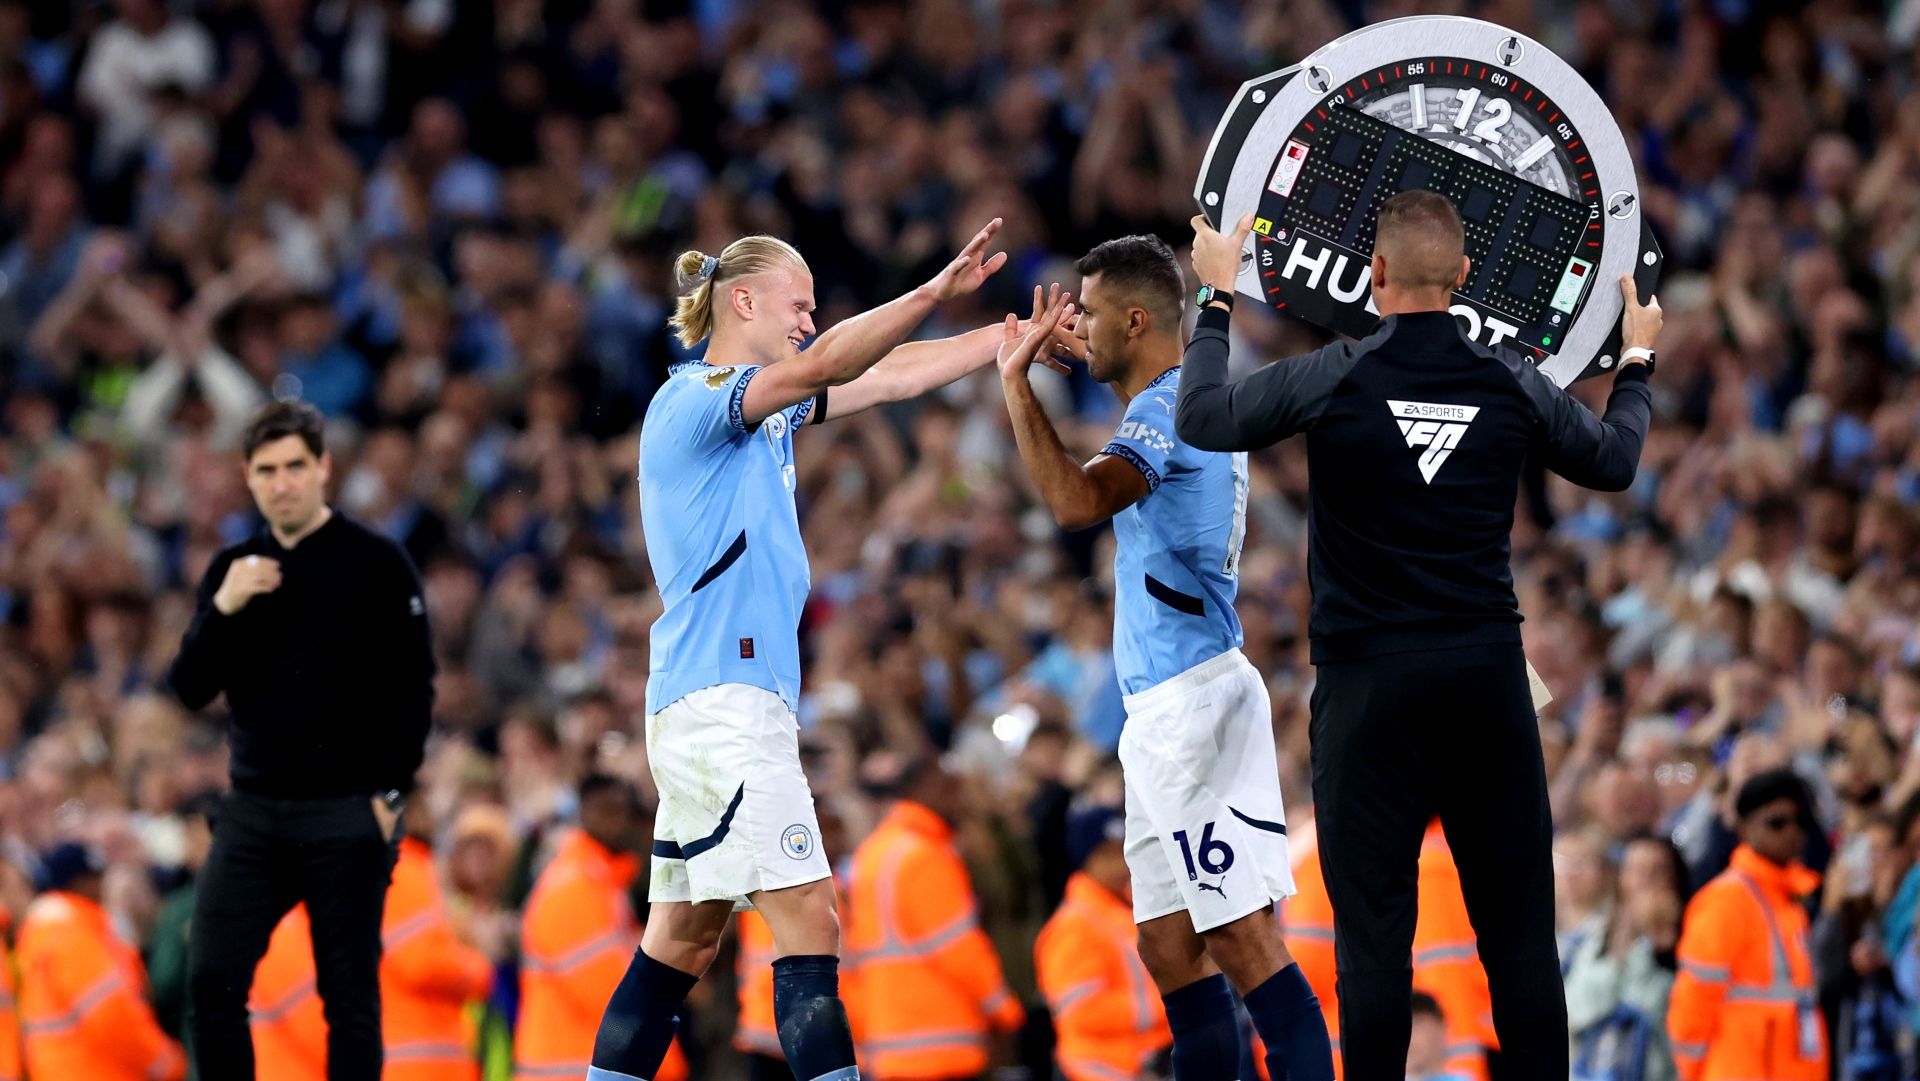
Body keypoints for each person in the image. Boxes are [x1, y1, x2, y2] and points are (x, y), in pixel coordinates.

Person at [1175, 191, 1663, 1081]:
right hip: (1487, 678)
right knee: (1518, 938)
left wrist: (1215, 297)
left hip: (1368, 688)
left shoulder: (1336, 372)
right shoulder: (1508, 377)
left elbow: (1202, 417)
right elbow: (1617, 460)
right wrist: (1636, 354)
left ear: (1377, 274)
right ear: (1466, 278)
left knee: (1374, 947)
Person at [588, 220, 1054, 1081]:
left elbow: (882, 378)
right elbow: (833, 362)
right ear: (743, 301)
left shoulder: (760, 413)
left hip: (706, 702)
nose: (808, 319)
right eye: (798, 305)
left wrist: (1003, 336)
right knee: (810, 918)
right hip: (726, 702)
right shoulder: (695, 400)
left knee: (681, 942)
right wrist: (929, 294)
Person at [996, 234, 1332, 1080]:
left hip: (1194, 705)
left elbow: (1075, 500)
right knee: (1167, 943)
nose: (1076, 323)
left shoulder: (1169, 409)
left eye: (1093, 310)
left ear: (1137, 319)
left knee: (1241, 937)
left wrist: (1016, 383)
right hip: (1167, 709)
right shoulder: (1176, 403)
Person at [168, 399, 436, 1081]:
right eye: (266, 469)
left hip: (344, 807)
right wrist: (222, 608)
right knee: (211, 981)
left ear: (323, 468)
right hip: (254, 808)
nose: (282, 481)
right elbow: (188, 687)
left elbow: (414, 689)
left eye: (294, 465)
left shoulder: (376, 561)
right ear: (248, 478)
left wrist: (389, 792)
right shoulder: (234, 570)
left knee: (348, 1001)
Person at [843, 755, 1024, 1079]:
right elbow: (959, 949)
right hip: (940, 1042)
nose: (957, 800)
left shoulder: (874, 851)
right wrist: (1004, 1010)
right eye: (948, 789)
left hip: (890, 1042)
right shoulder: (925, 856)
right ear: (920, 789)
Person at [518, 774, 686, 1081]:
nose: (621, 822)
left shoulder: (601, 884)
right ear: (586, 813)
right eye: (609, 810)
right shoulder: (574, 889)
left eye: (624, 812)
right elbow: (610, 995)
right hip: (578, 1068)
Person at [1667, 769, 1828, 1080]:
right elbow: (1691, 1006)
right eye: (1777, 822)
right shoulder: (1726, 901)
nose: (1792, 832)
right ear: (1744, 828)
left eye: (1801, 822)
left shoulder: (1790, 900)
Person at [17, 843, 187, 1081]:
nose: (100, 883)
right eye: (93, 876)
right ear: (76, 881)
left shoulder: (50, 927)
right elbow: (111, 1016)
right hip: (97, 1071)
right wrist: (165, 1062)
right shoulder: (72, 933)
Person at [1034, 803, 1173, 1081]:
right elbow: (1083, 1012)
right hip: (1100, 1070)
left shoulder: (1123, 908)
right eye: (1106, 855)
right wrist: (1171, 1004)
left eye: (1122, 852)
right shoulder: (1075, 925)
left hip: (1143, 1063)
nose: (1119, 865)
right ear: (1086, 859)